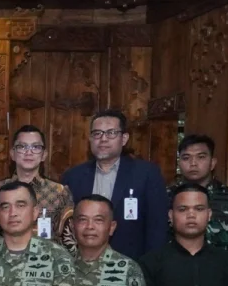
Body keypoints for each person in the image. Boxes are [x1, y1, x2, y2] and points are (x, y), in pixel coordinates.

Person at [60, 110, 169, 260]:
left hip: (131, 264)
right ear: (90, 139)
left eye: (111, 133)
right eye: (97, 133)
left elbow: (157, 227)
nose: (103, 139)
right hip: (81, 267)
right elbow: (66, 227)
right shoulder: (73, 177)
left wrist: (150, 268)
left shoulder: (146, 174)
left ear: (124, 139)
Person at [174, 134, 228, 268]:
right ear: (179, 163)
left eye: (201, 157)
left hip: (221, 275)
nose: (193, 163)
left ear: (213, 163)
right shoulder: (166, 196)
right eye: (186, 158)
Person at [0, 125, 73, 245]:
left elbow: (69, 240)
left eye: (36, 147)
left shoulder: (60, 192)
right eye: (22, 147)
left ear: (44, 154)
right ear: (12, 154)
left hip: (48, 260)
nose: (29, 152)